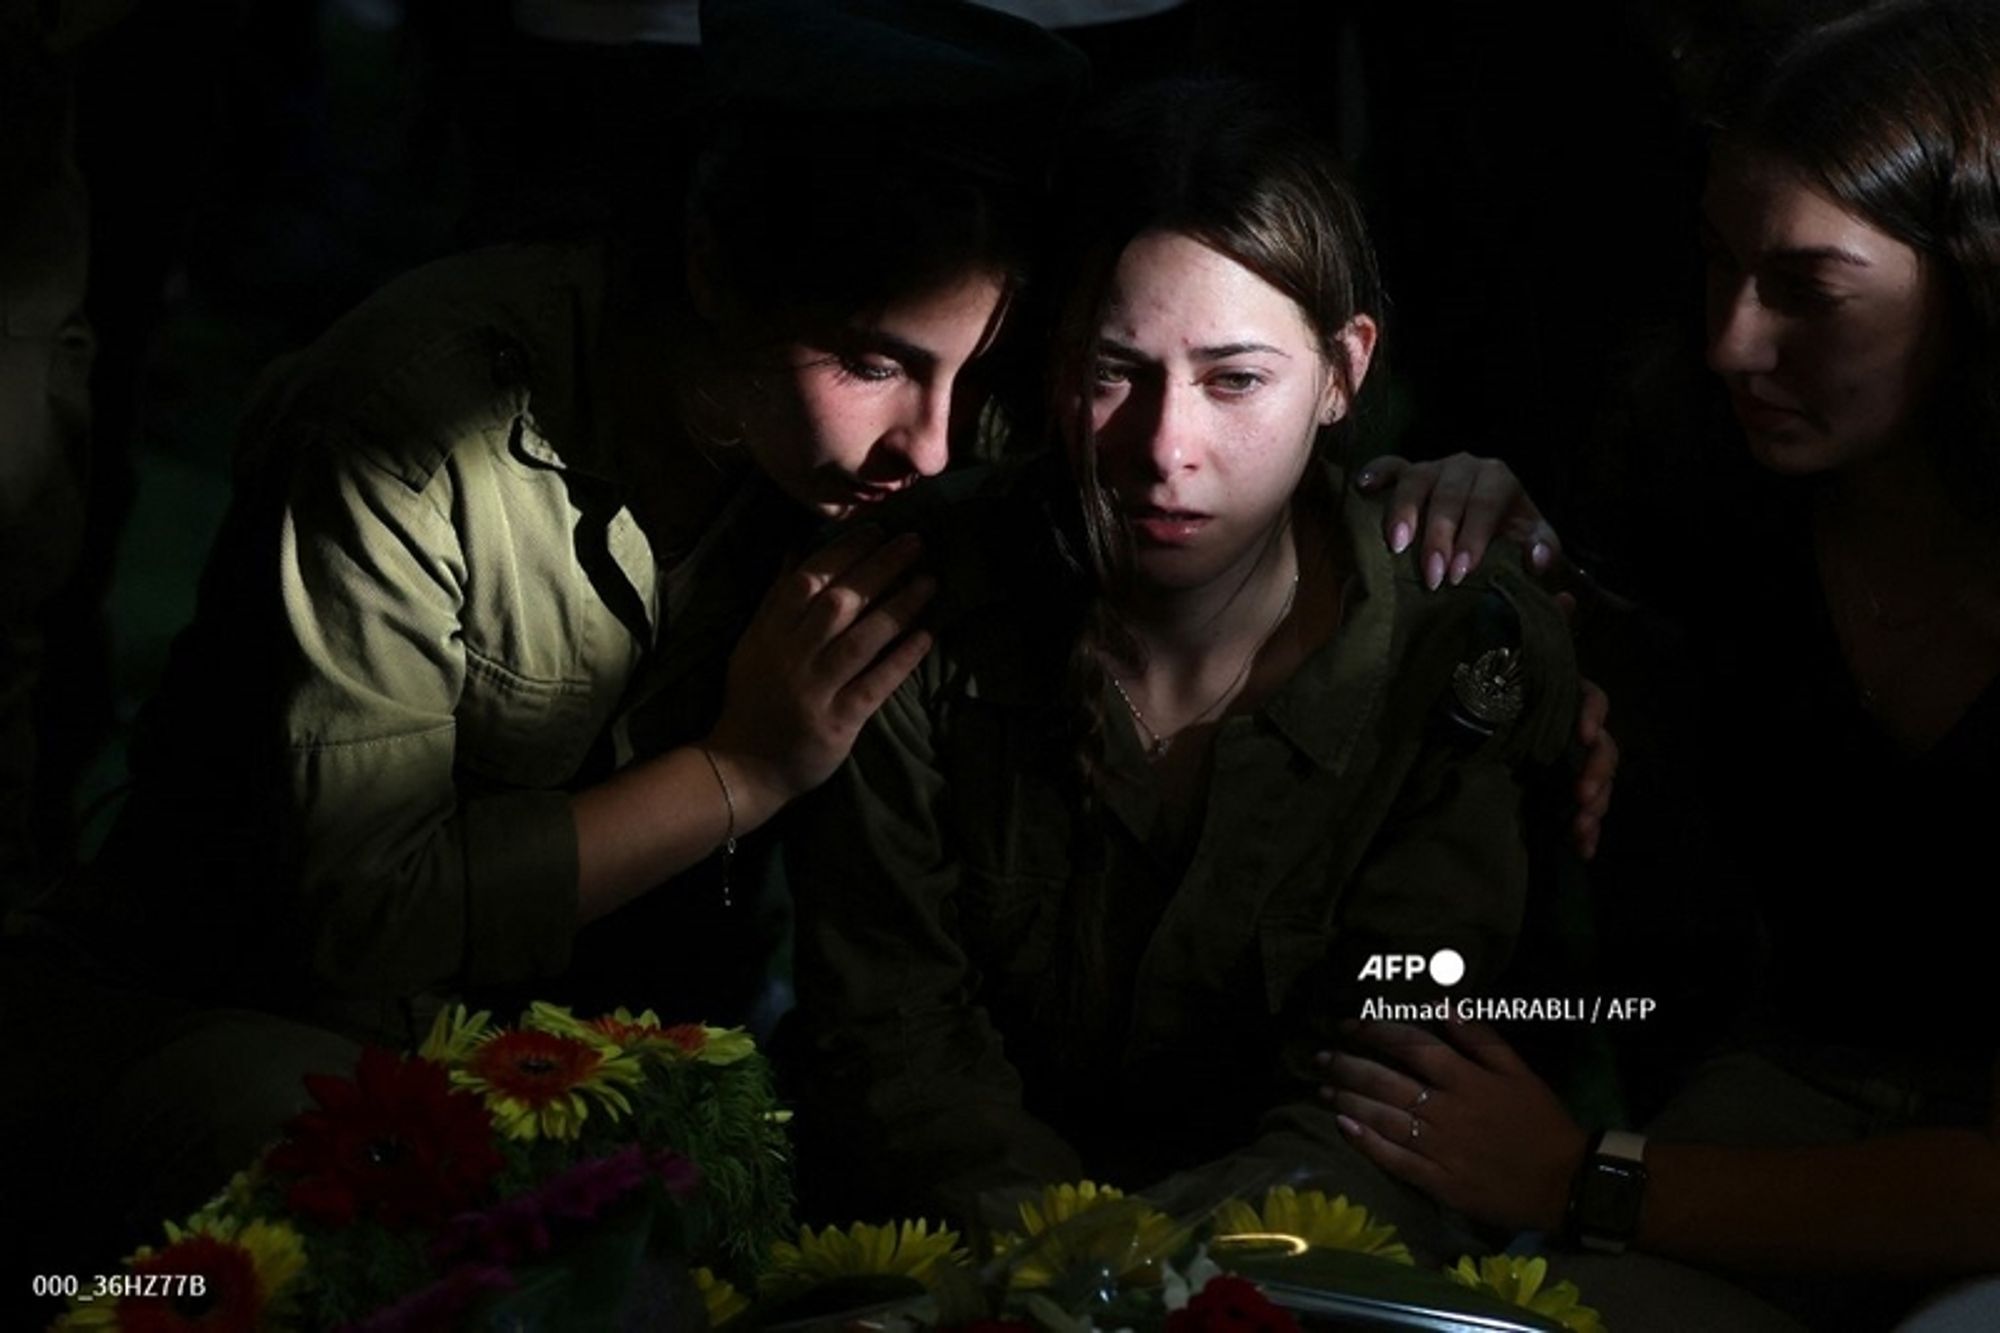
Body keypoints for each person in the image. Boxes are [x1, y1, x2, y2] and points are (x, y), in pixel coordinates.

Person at [0, 0, 1085, 1297]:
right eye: (869, 361)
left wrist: (1392, 505)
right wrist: (743, 770)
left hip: (611, 1065)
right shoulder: (420, 416)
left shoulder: (888, 465)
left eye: (976, 372)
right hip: (254, 1025)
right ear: (717, 267)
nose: (933, 446)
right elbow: (366, 917)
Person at [781, 79, 1583, 1249]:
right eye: (1113, 370)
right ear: (1050, 363)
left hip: (1305, 1268)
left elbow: (1398, 1090)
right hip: (957, 1253)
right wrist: (1076, 1271)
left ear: (1343, 371)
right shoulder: (917, 602)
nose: (1163, 448)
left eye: (1234, 379)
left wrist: (1149, 1281)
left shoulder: (1455, 653)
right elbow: (894, 1050)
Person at [1321, 3, 2000, 1328]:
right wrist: (1500, 547)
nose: (1733, 341)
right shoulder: (1723, 478)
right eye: (1718, 267)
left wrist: (1589, 1174)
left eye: (1807, 290)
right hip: (1792, 1096)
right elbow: (1605, 625)